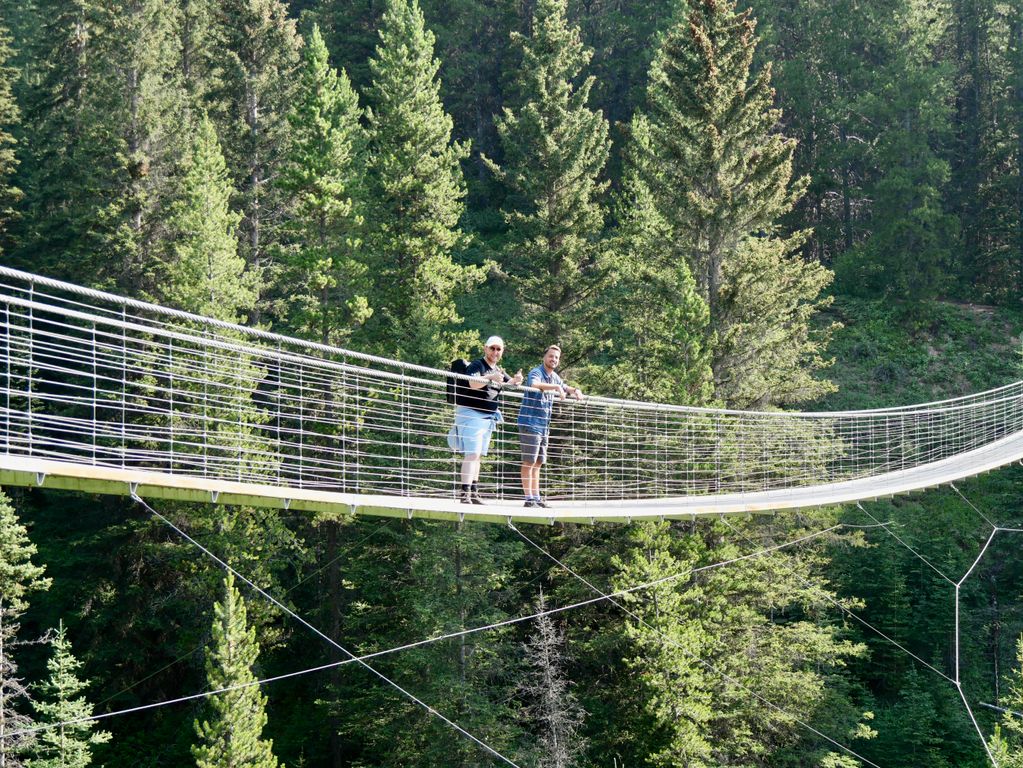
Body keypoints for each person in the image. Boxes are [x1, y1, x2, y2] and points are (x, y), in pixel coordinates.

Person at [447, 336, 523, 504]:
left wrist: (516, 380)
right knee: (472, 454)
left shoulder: (498, 370)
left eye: (499, 349)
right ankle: (464, 493)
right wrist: (490, 378)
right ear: (485, 348)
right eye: (492, 348)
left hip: (487, 417)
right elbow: (473, 383)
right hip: (471, 414)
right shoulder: (477, 365)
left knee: (478, 455)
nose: (495, 352)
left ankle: (473, 492)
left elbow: (509, 382)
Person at [517, 345, 583, 508]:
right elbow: (533, 384)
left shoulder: (554, 377)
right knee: (529, 461)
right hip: (530, 422)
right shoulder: (537, 372)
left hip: (543, 425)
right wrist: (556, 388)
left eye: (556, 358)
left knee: (538, 462)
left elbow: (565, 387)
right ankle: (529, 499)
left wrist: (576, 390)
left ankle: (536, 497)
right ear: (544, 357)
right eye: (551, 356)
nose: (553, 359)